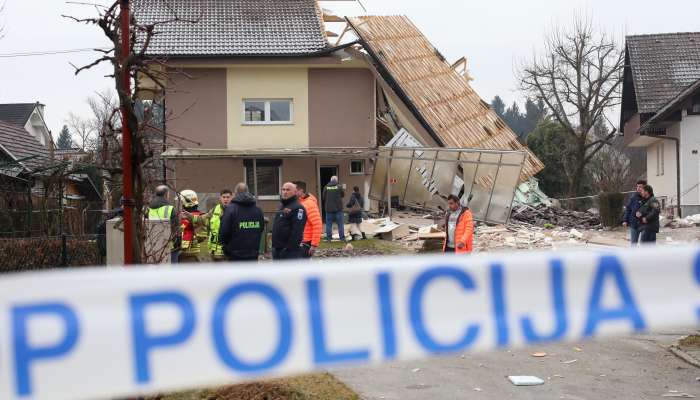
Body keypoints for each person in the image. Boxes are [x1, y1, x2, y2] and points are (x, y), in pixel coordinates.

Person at [219, 183, 265, 261]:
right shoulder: (258, 210)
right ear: (248, 192)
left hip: (235, 255)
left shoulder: (230, 209)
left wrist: (226, 248)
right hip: (253, 254)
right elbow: (261, 229)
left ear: (235, 194)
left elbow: (224, 232)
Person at [271, 182, 307, 260]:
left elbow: (297, 231)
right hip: (277, 249)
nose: (285, 192)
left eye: (288, 190)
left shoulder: (298, 208)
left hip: (288, 252)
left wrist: (288, 248)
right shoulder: (281, 206)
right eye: (283, 189)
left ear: (295, 192)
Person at [147, 185, 180, 263]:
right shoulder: (170, 208)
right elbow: (175, 229)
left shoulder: (148, 208)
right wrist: (178, 243)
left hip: (151, 243)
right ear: (166, 194)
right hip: (168, 244)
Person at [294, 180, 322, 258]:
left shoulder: (309, 204)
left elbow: (317, 224)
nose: (292, 192)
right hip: (299, 242)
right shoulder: (299, 203)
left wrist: (314, 245)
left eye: (294, 190)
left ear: (301, 191)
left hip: (305, 243)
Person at [205, 189, 233, 261]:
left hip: (228, 252)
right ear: (220, 198)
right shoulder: (215, 209)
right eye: (224, 197)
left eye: (228, 197)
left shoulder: (235, 210)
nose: (225, 199)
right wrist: (191, 217)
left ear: (231, 197)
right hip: (215, 252)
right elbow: (204, 219)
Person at [178, 189, 204, 263]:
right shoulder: (183, 215)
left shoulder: (197, 217)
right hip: (182, 254)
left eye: (181, 202)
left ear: (187, 202)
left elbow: (201, 235)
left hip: (190, 255)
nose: (181, 204)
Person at [622, 180, 646, 245]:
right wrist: (625, 220)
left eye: (640, 187)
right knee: (633, 244)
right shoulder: (633, 197)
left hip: (644, 224)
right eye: (637, 187)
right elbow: (628, 209)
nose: (638, 188)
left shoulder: (648, 197)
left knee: (644, 245)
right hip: (634, 224)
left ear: (645, 187)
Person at [323, 176, 345, 242]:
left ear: (330, 180)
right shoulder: (339, 187)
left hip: (329, 209)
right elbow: (343, 195)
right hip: (338, 209)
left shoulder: (326, 187)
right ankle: (342, 238)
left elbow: (323, 197)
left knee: (328, 225)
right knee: (340, 224)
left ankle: (329, 239)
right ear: (336, 180)